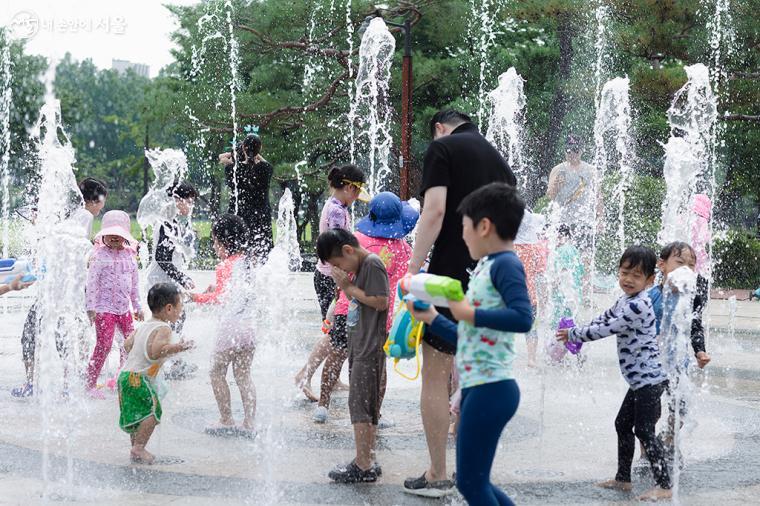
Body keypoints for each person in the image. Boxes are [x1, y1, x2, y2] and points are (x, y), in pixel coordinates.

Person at [405, 109, 517, 497]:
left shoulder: (443, 149)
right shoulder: (500, 159)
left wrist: (413, 268)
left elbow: (434, 211)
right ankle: (476, 469)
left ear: (439, 128)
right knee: (472, 367)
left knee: (435, 372)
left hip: (449, 272)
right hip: (490, 275)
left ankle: (438, 472)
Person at [409, 182, 533, 505]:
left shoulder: (506, 264)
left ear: (484, 226)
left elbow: (523, 317)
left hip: (493, 388)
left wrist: (469, 313)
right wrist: (433, 318)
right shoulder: (487, 267)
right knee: (474, 483)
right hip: (481, 388)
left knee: (471, 485)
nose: (462, 236)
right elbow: (469, 338)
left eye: (463, 228)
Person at [557, 245, 672, 502]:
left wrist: (575, 335)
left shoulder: (639, 305)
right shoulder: (624, 300)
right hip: (639, 381)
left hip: (650, 381)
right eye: (624, 273)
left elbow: (609, 328)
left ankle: (665, 484)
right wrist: (580, 326)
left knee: (644, 430)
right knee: (622, 424)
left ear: (650, 280)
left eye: (636, 275)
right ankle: (623, 479)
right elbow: (604, 318)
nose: (628, 280)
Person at [312, 192, 418, 424]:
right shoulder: (403, 249)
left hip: (346, 309)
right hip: (382, 318)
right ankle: (375, 413)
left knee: (337, 355)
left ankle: (323, 404)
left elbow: (341, 277)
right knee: (378, 367)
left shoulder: (356, 240)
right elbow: (407, 283)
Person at [12, 177, 107, 398]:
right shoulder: (84, 215)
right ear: (96, 199)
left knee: (32, 335)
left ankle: (33, 383)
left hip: (56, 291)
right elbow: (77, 252)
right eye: (103, 200)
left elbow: (69, 247)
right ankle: (64, 386)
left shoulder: (77, 215)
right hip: (63, 292)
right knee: (58, 336)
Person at [317, 229, 389, 483]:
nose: (340, 269)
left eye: (338, 264)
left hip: (369, 347)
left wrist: (347, 285)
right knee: (363, 404)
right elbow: (358, 301)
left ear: (348, 250)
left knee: (359, 404)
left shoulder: (372, 263)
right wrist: (347, 287)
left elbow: (381, 301)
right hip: (360, 344)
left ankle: (363, 465)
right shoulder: (360, 267)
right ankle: (367, 457)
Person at [296, 164, 369, 402]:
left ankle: (332, 377)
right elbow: (341, 250)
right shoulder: (337, 211)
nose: (358, 197)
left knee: (336, 334)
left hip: (329, 276)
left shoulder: (336, 206)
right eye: (357, 191)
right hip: (332, 278)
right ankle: (304, 375)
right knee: (334, 334)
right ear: (349, 188)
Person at [191, 214, 257, 434]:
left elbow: (220, 299)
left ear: (224, 242)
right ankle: (249, 423)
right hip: (248, 327)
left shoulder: (223, 266)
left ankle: (226, 419)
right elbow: (238, 293)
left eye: (214, 241)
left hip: (229, 329)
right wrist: (216, 289)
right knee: (243, 375)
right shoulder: (249, 262)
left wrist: (196, 297)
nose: (214, 246)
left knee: (217, 372)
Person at [647, 242, 711, 460]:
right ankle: (646, 450)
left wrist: (700, 351)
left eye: (691, 266)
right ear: (662, 265)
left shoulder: (690, 298)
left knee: (680, 408)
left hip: (677, 364)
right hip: (650, 365)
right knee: (649, 412)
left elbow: (695, 326)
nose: (686, 269)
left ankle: (668, 439)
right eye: (680, 263)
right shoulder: (652, 295)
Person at [118, 283, 194, 464]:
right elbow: (156, 351)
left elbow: (127, 345)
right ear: (169, 308)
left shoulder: (144, 326)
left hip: (126, 377)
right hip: (138, 379)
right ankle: (139, 448)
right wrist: (180, 347)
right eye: (179, 307)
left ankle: (136, 448)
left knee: (137, 415)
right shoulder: (164, 328)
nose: (180, 311)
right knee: (153, 412)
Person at [85, 210, 144, 399]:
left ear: (125, 235)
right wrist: (91, 307)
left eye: (119, 234)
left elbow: (134, 285)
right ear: (104, 234)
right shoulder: (99, 256)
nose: (115, 238)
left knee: (129, 344)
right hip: (104, 308)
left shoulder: (129, 257)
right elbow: (92, 283)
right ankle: (90, 383)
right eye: (111, 234)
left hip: (123, 309)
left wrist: (138, 307)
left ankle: (121, 377)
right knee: (104, 345)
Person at [146, 181, 199, 380]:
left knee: (174, 320)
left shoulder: (170, 220)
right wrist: (182, 278)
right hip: (161, 283)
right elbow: (162, 258)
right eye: (189, 201)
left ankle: (171, 362)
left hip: (166, 282)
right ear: (177, 200)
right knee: (167, 322)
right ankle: (164, 363)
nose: (191, 206)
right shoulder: (167, 222)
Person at [220, 133, 274, 261]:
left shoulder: (232, 169)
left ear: (243, 147)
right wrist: (252, 152)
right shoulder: (266, 169)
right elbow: (263, 161)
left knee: (239, 255)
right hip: (261, 217)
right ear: (260, 149)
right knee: (261, 255)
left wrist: (239, 151)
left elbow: (222, 157)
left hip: (240, 218)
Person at [514, 211, 548, 367]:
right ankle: (531, 359)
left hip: (509, 295)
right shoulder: (536, 249)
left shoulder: (508, 248)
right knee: (532, 327)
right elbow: (541, 274)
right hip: (530, 296)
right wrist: (545, 297)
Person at [690, 194, 712, 276]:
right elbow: (703, 238)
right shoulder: (703, 221)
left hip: (686, 255)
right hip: (699, 257)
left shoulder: (687, 218)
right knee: (701, 276)